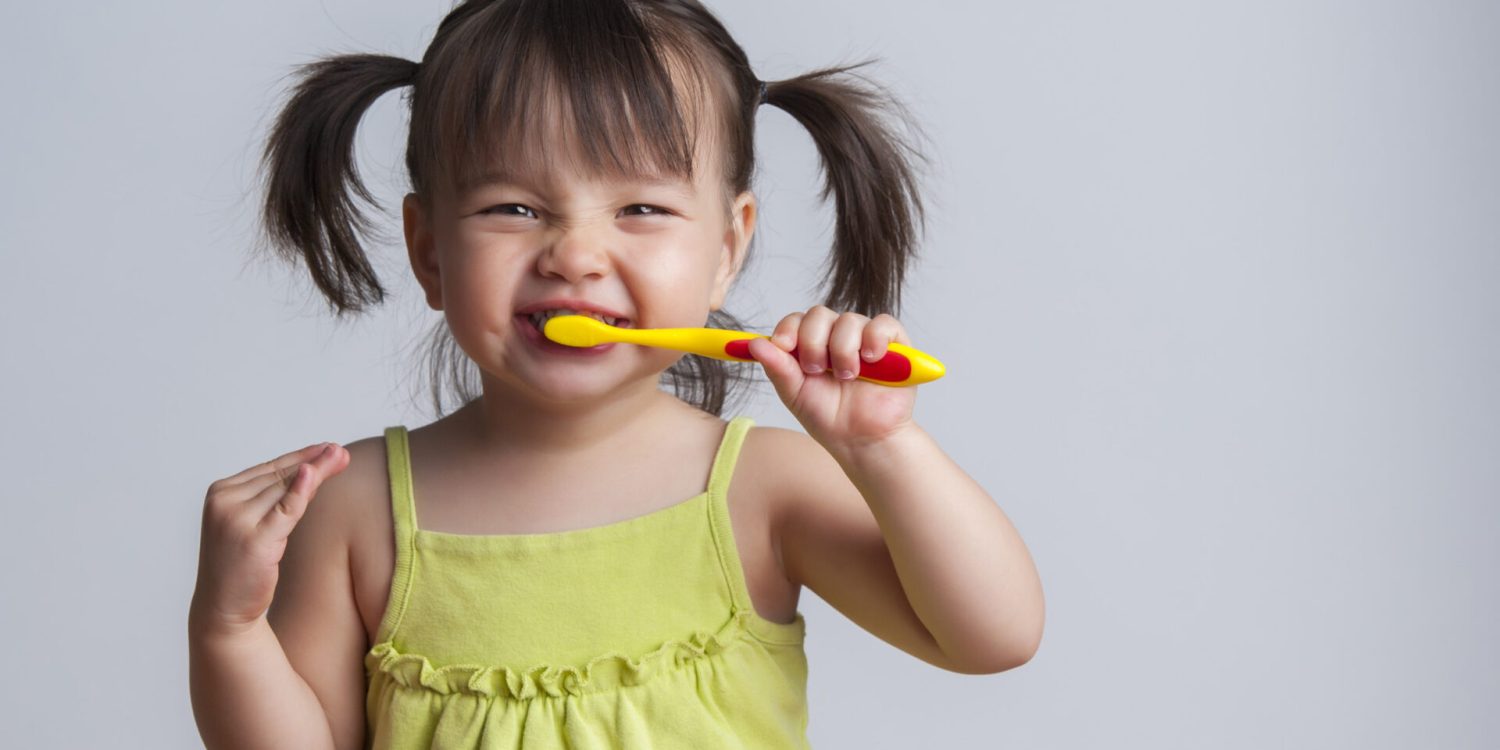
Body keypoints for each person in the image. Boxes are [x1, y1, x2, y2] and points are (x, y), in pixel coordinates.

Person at [188, 0, 1044, 747]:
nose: (575, 255)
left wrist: (885, 448)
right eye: (512, 208)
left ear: (726, 248)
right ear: (429, 252)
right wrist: (228, 629)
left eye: (641, 209)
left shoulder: (760, 490)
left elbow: (991, 637)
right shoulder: (355, 508)